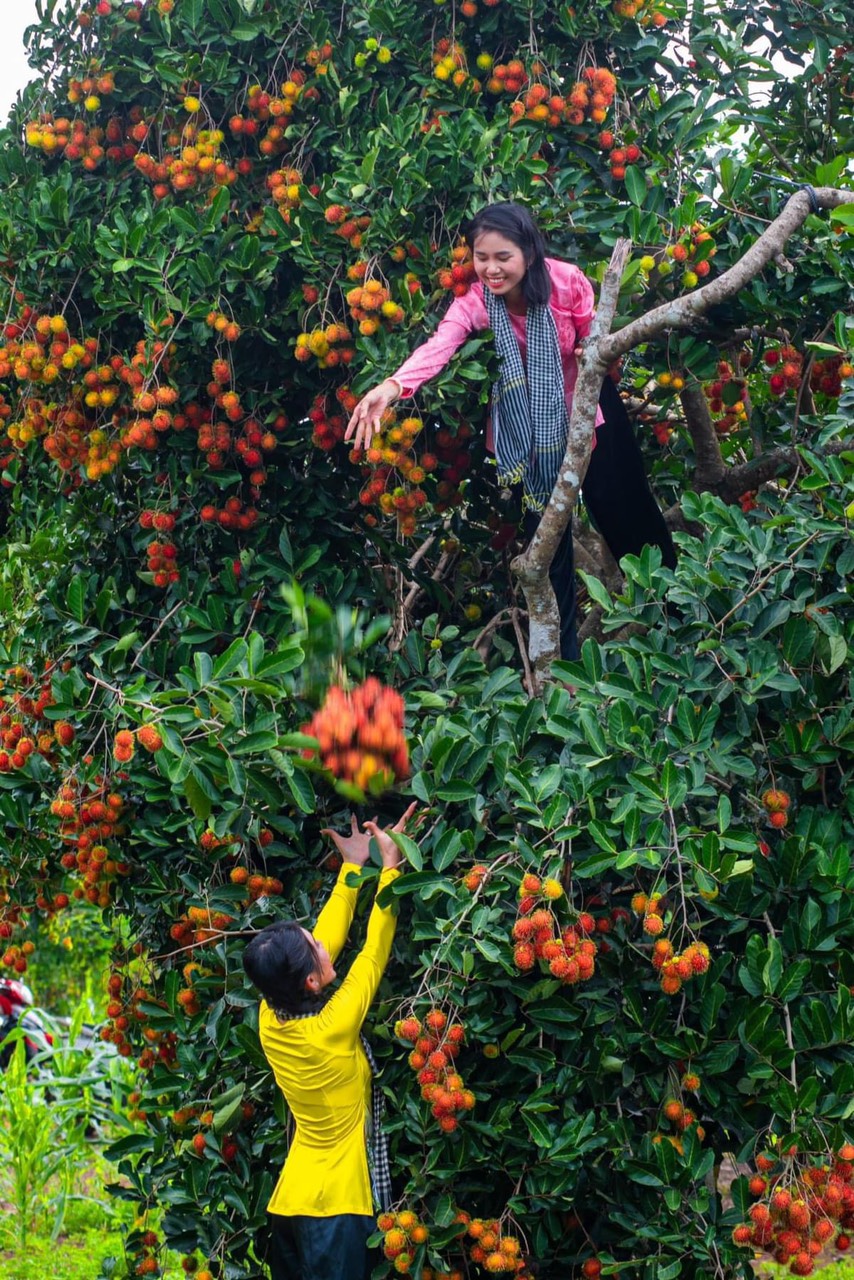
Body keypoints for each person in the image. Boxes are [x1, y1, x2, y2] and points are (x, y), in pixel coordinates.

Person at [345, 201, 676, 660]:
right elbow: (440, 345)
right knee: (548, 545)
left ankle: (675, 608)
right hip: (528, 436)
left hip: (588, 412)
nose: (492, 269)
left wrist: (587, 367)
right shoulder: (476, 303)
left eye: (503, 257)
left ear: (529, 252)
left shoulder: (566, 282)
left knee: (623, 509)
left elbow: (595, 345)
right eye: (482, 258)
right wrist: (392, 385)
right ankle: (565, 660)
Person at [243, 803, 418, 1280]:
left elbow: (329, 937)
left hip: (291, 1205)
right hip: (336, 1212)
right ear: (311, 985)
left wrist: (351, 866)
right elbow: (373, 952)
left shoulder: (269, 1016)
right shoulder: (333, 1026)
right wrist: (390, 869)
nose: (322, 942)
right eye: (314, 947)